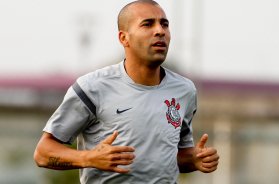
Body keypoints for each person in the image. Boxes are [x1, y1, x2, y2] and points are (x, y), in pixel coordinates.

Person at [34, 0, 219, 183]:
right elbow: (43, 153)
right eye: (147, 24)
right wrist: (89, 158)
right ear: (124, 38)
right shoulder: (92, 87)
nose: (160, 31)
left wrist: (194, 159)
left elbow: (172, 157)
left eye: (165, 24)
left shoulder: (184, 90)